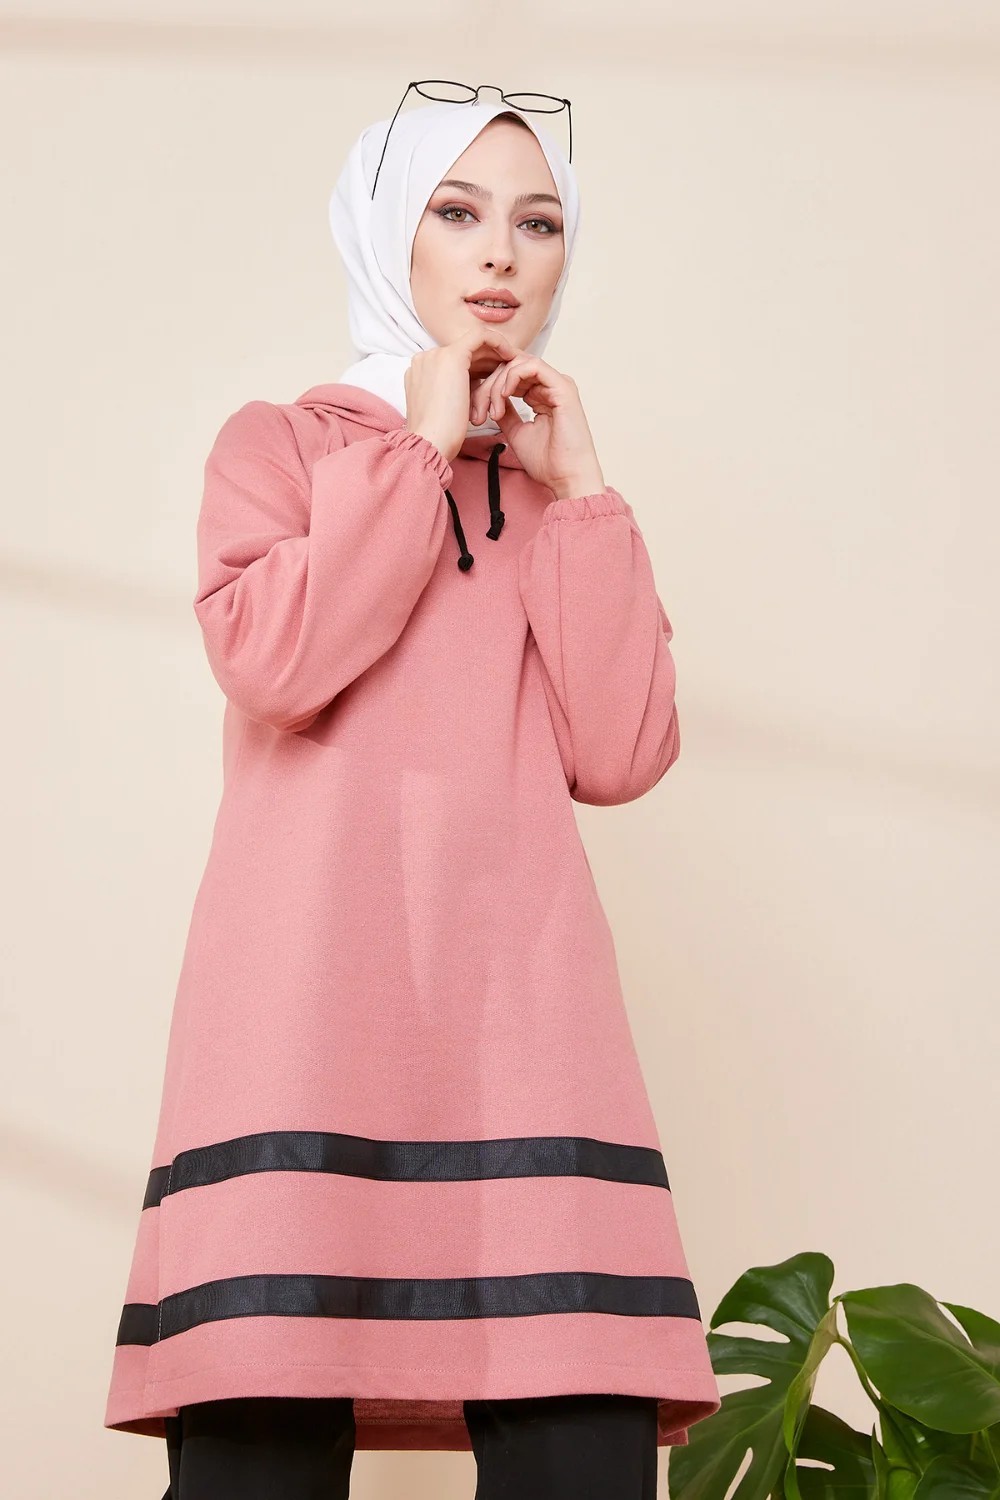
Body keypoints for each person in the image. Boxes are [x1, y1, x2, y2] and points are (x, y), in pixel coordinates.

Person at [103, 93, 722, 1497]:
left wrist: (586, 490)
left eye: (538, 221)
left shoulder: (551, 491)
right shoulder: (281, 444)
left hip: (527, 1024)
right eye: (457, 211)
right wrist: (414, 447)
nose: (501, 252)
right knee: (261, 1445)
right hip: (301, 1019)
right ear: (390, 231)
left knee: (579, 1445)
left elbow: (622, 752)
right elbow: (277, 664)